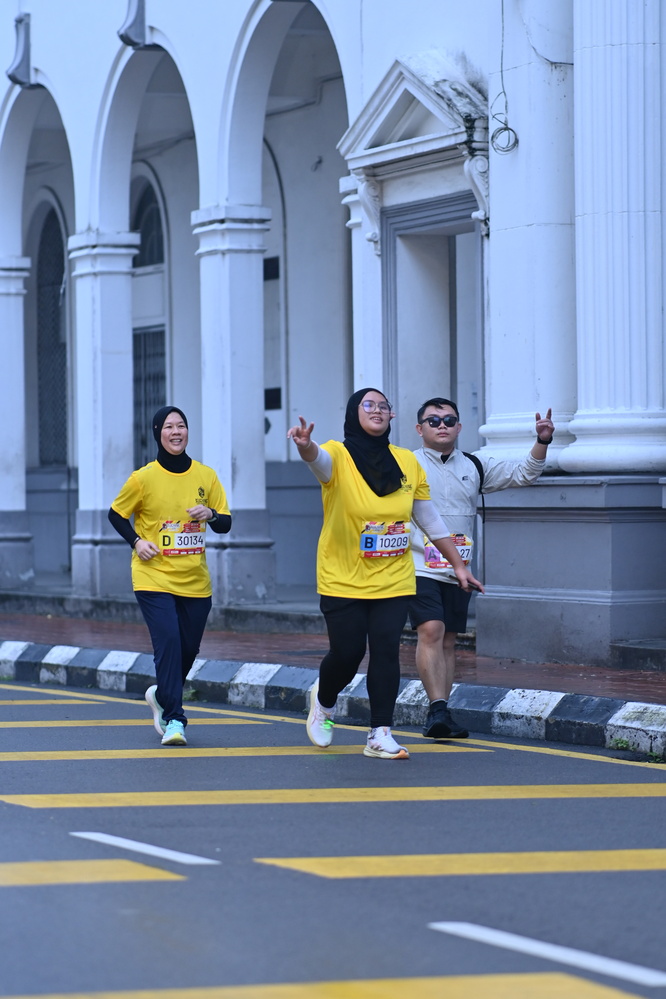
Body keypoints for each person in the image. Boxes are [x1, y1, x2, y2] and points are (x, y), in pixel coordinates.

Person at [287, 388, 484, 760]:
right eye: (368, 405)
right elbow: (318, 460)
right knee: (347, 653)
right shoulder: (338, 454)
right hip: (343, 575)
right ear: (354, 413)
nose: (377, 410)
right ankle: (324, 702)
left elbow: (428, 519)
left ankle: (380, 733)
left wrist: (458, 565)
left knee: (385, 651)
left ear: (392, 416)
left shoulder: (406, 461)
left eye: (383, 406)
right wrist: (305, 445)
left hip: (394, 575)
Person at [410, 397, 555, 740]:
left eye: (449, 420)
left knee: (448, 639)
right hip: (417, 565)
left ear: (459, 427)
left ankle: (441, 710)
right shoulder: (407, 464)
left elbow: (525, 473)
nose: (442, 426)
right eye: (434, 421)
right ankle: (437, 710)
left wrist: (543, 440)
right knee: (431, 630)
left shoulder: (474, 464)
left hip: (459, 568)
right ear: (419, 429)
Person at [108, 406, 231, 746]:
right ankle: (175, 719)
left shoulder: (206, 476)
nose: (176, 432)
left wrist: (210, 513)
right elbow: (116, 514)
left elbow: (225, 523)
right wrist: (137, 542)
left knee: (188, 648)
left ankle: (163, 695)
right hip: (153, 576)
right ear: (157, 433)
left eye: (181, 426)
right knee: (169, 642)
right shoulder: (143, 478)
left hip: (195, 580)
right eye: (168, 427)